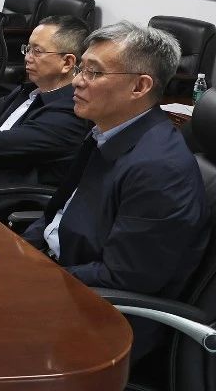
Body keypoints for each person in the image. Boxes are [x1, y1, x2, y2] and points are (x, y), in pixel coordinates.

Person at [22, 22, 208, 361]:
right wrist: (20, 251)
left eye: (93, 73)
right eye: (80, 68)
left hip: (102, 319)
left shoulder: (159, 169)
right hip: (64, 278)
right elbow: (58, 214)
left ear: (139, 86)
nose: (77, 81)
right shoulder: (107, 132)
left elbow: (123, 278)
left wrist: (35, 278)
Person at [0, 16, 93, 200]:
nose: (27, 57)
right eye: (28, 49)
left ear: (67, 62)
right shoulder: (28, 90)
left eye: (37, 51)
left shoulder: (69, 113)